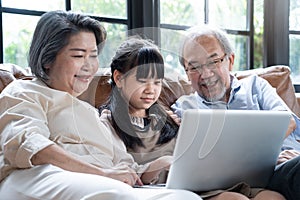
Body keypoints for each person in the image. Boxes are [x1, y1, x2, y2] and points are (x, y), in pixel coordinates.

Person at [0, 10, 202, 200]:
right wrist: (103, 173)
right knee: (116, 194)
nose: (89, 66)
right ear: (47, 59)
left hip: (99, 183)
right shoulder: (24, 92)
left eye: (94, 55)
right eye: (79, 56)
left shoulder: (89, 114)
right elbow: (28, 146)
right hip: (34, 175)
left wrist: (166, 166)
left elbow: (126, 166)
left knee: (184, 197)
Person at [170, 25, 294, 200]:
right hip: (242, 182)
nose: (205, 74)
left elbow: (287, 121)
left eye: (213, 61)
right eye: (194, 67)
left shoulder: (256, 86)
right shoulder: (184, 110)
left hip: (282, 165)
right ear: (186, 72)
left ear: (230, 60)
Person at [99, 37, 178, 184]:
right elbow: (125, 172)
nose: (151, 90)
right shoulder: (108, 123)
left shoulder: (167, 119)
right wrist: (161, 164)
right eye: (142, 81)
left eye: (157, 82)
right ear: (119, 78)